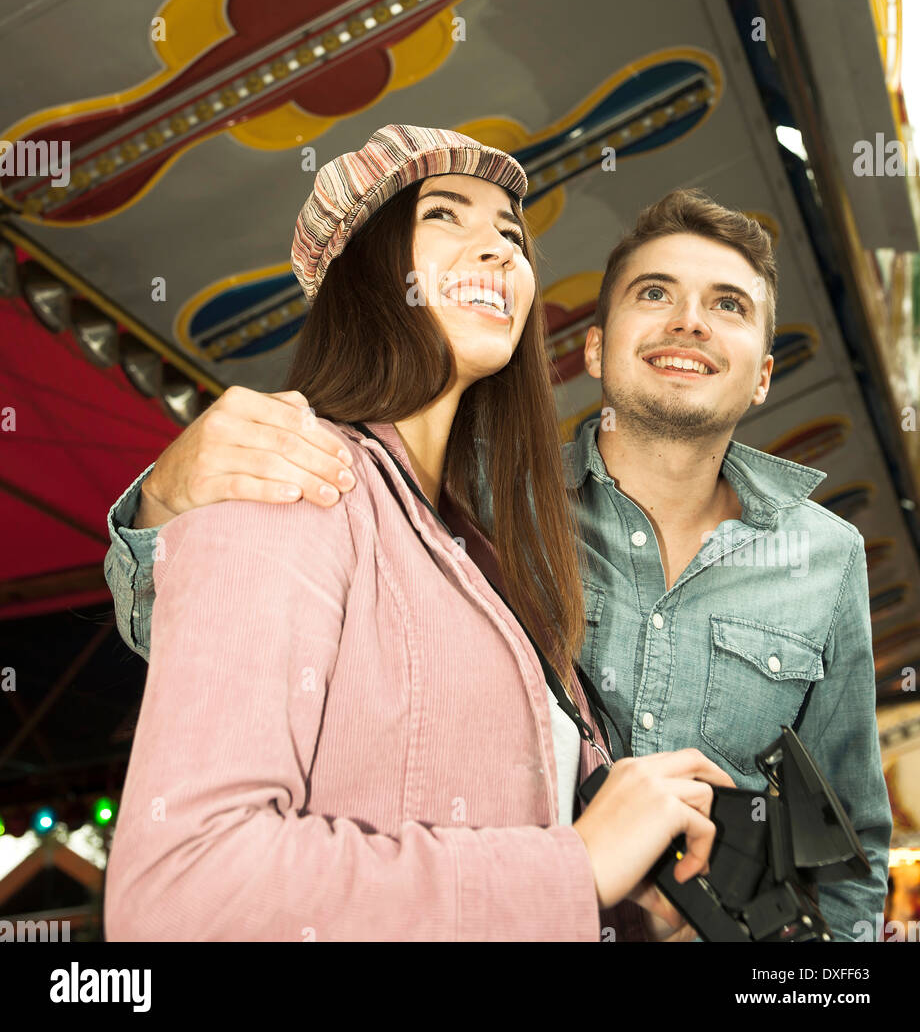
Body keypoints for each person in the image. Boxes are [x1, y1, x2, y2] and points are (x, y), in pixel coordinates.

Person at [103, 124, 733, 943]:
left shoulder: (495, 563)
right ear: (364, 269)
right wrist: (572, 870)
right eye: (445, 215)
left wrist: (625, 902)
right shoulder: (288, 471)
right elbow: (181, 893)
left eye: (513, 235)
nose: (501, 251)